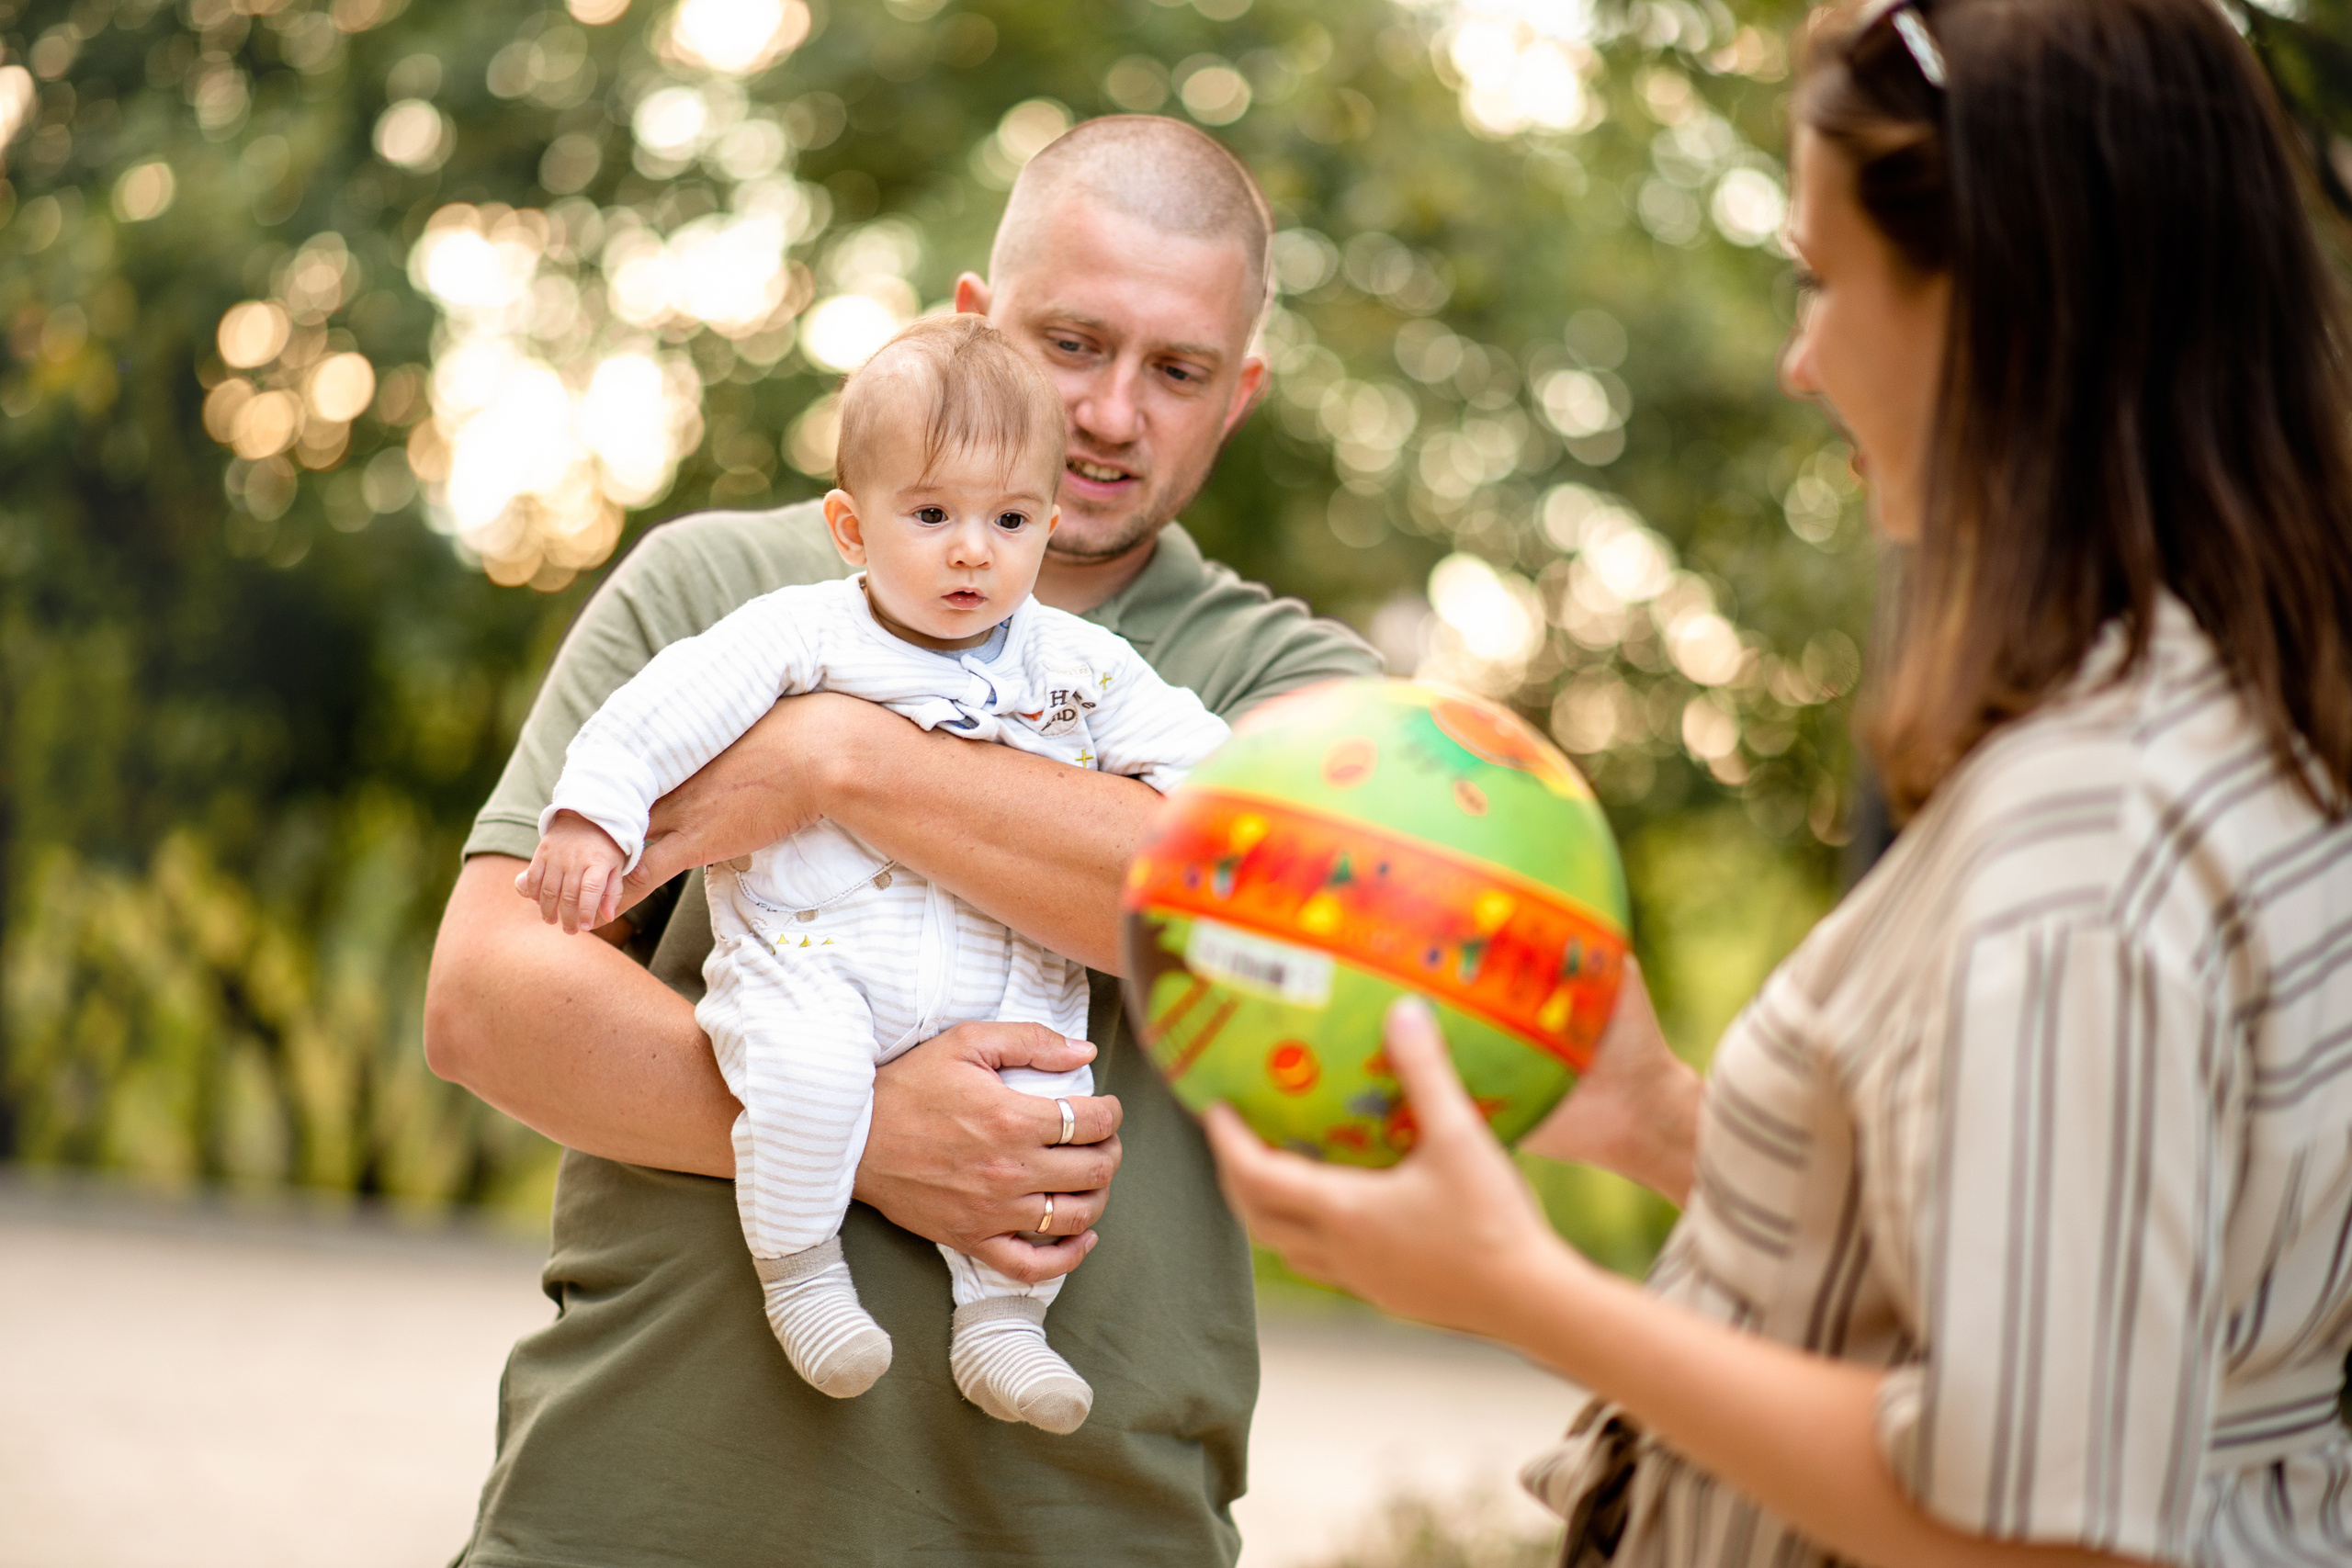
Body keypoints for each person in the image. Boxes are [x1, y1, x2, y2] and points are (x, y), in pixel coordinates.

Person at [1207, 3, 2352, 1565]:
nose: (1800, 362)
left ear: (1999, 305)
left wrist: (1518, 1290)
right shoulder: (2238, 719)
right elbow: (2074, 1269)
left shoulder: (2087, 838)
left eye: (1819, 281)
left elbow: (2041, 1534)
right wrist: (1674, 1123)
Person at [424, 118, 1379, 1564]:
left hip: (1082, 1529)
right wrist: (859, 1132)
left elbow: (1260, 919)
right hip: (632, 1509)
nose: (1114, 413)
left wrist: (840, 758)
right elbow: (487, 1001)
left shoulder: (1293, 681)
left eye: (1176, 370)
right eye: (1072, 343)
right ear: (974, 323)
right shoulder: (717, 587)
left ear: (1237, 393)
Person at [520, 313, 1229, 1431]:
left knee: (1050, 1113)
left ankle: (1003, 1322)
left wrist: (1226, 805)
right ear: (852, 526)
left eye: (1007, 521)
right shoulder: (803, 632)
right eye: (932, 515)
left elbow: (1216, 782)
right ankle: (802, 1275)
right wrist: (588, 822)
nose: (970, 551)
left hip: (1004, 989)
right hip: (814, 959)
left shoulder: (1082, 666)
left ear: (1046, 525)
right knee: (801, 1076)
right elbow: (658, 717)